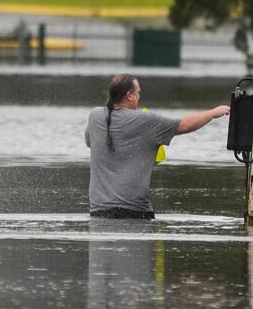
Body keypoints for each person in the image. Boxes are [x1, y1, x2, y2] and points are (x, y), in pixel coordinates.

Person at [84, 74, 230, 219]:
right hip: (134, 211)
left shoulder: (95, 116)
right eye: (138, 92)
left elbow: (90, 143)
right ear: (129, 95)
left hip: (98, 211)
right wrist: (213, 113)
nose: (139, 97)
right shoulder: (146, 120)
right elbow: (184, 125)